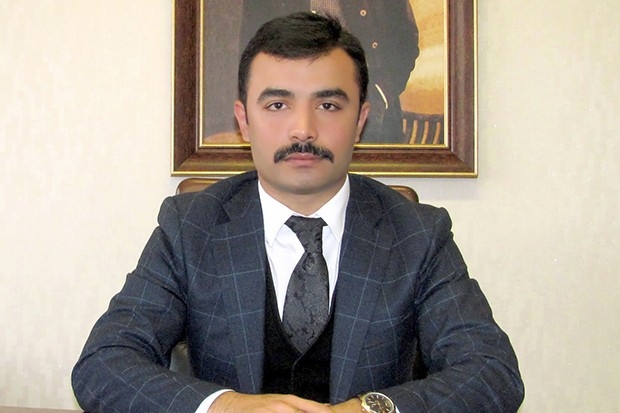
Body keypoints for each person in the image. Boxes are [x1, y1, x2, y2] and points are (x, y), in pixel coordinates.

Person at [72, 12, 524, 413]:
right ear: (244, 121)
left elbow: (491, 372)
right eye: (277, 105)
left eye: (328, 105)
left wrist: (372, 411)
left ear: (360, 120)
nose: (303, 129)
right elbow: (104, 364)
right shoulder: (191, 226)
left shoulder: (418, 234)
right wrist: (225, 407)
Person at [239, 1, 420, 144]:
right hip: (285, 121)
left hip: (374, 118)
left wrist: (382, 93)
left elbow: (405, 41)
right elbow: (252, 52)